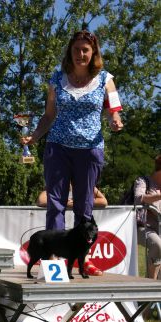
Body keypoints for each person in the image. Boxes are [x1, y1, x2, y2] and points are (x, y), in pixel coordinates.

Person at [22, 30, 124, 276]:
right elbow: (49, 115)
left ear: (93, 53)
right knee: (55, 205)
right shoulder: (57, 78)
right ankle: (53, 260)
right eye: (76, 49)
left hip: (90, 150)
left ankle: (82, 260)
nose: (80, 54)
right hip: (57, 147)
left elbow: (114, 109)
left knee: (84, 207)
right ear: (70, 51)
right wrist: (35, 136)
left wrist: (115, 120)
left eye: (85, 50)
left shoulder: (105, 79)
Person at [134, 155, 161, 280]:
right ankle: (151, 289)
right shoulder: (144, 181)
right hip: (143, 227)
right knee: (158, 245)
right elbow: (139, 198)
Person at [36, 186, 108, 208]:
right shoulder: (55, 184)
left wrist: (80, 202)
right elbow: (41, 201)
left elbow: (104, 201)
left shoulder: (85, 183)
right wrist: (65, 203)